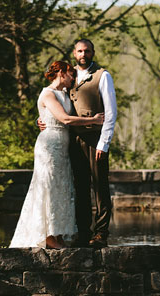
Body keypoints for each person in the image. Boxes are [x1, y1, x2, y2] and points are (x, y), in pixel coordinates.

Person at [10, 61, 104, 249]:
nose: (73, 79)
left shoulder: (64, 94)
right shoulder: (47, 93)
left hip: (63, 148)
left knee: (62, 190)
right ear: (61, 73)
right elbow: (64, 118)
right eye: (71, 75)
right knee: (49, 188)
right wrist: (92, 120)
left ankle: (58, 233)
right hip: (49, 147)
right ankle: (48, 236)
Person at [69, 38, 117, 249]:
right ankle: (83, 232)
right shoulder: (68, 75)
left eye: (87, 51)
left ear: (93, 52)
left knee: (100, 187)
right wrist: (40, 120)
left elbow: (111, 112)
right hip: (73, 139)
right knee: (80, 188)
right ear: (74, 53)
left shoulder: (102, 76)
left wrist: (103, 144)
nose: (83, 55)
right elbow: (52, 100)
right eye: (80, 51)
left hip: (96, 139)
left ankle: (100, 234)